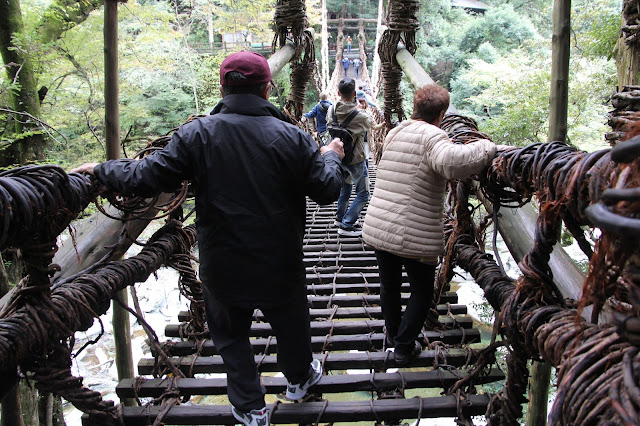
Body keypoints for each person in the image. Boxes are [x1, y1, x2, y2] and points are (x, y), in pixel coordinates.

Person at [71, 51, 345, 426]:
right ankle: (298, 379)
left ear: (221, 88)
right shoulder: (293, 137)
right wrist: (331, 155)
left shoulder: (197, 134)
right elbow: (327, 190)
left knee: (230, 335)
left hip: (222, 261)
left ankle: (251, 408)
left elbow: (146, 177)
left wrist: (101, 170)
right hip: (279, 260)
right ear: (267, 89)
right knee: (290, 324)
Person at [362, 84, 501, 366]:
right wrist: (489, 146)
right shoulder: (433, 136)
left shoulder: (395, 131)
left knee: (389, 285)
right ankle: (403, 347)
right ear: (441, 114)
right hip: (413, 234)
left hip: (379, 225)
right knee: (422, 292)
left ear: (415, 108)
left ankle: (393, 336)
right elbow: (453, 163)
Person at [327, 78, 377, 237]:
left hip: (339, 157)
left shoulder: (331, 110)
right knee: (363, 194)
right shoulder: (360, 116)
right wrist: (363, 109)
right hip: (355, 160)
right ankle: (347, 224)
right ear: (355, 94)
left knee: (345, 187)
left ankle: (340, 217)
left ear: (338, 93)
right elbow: (371, 124)